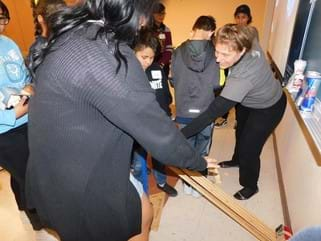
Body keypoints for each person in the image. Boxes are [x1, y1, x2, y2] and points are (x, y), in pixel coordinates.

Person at [26, 1, 215, 241]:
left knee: (143, 213)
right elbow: (157, 131)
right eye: (145, 15)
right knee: (132, 220)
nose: (145, 23)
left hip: (52, 169)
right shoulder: (110, 54)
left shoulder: (77, 30)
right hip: (79, 183)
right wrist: (197, 161)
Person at [181, 24, 287, 200]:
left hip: (269, 106)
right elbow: (253, 29)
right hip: (248, 99)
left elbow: (211, 114)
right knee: (240, 131)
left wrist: (179, 135)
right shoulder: (250, 38)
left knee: (249, 148)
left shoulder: (242, 77)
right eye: (217, 51)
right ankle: (237, 160)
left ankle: (250, 185)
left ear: (242, 50)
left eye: (225, 55)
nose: (218, 59)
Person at [0, 0, 50, 237]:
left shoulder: (8, 44)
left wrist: (29, 86)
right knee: (30, 176)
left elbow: (22, 75)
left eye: (2, 18)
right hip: (5, 129)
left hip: (28, 119)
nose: (0, 24)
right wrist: (12, 114)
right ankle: (41, 222)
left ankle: (26, 208)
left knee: (29, 172)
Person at [171, 15, 220, 197]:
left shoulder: (177, 51)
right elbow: (217, 84)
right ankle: (199, 184)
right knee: (203, 147)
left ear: (195, 27)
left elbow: (173, 80)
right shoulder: (215, 52)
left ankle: (187, 183)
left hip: (184, 109)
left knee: (187, 147)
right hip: (206, 111)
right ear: (211, 31)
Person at [132, 28, 177, 197]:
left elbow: (165, 95)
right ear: (133, 52)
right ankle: (138, 191)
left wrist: (167, 112)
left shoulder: (157, 69)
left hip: (157, 121)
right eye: (144, 57)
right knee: (138, 161)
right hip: (137, 125)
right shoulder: (127, 73)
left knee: (159, 156)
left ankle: (162, 181)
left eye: (151, 57)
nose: (148, 62)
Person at [151, 2, 173, 79]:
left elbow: (169, 50)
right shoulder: (146, 29)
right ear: (152, 14)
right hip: (149, 62)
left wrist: (161, 64)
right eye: (158, 13)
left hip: (163, 65)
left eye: (163, 13)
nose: (161, 16)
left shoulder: (166, 30)